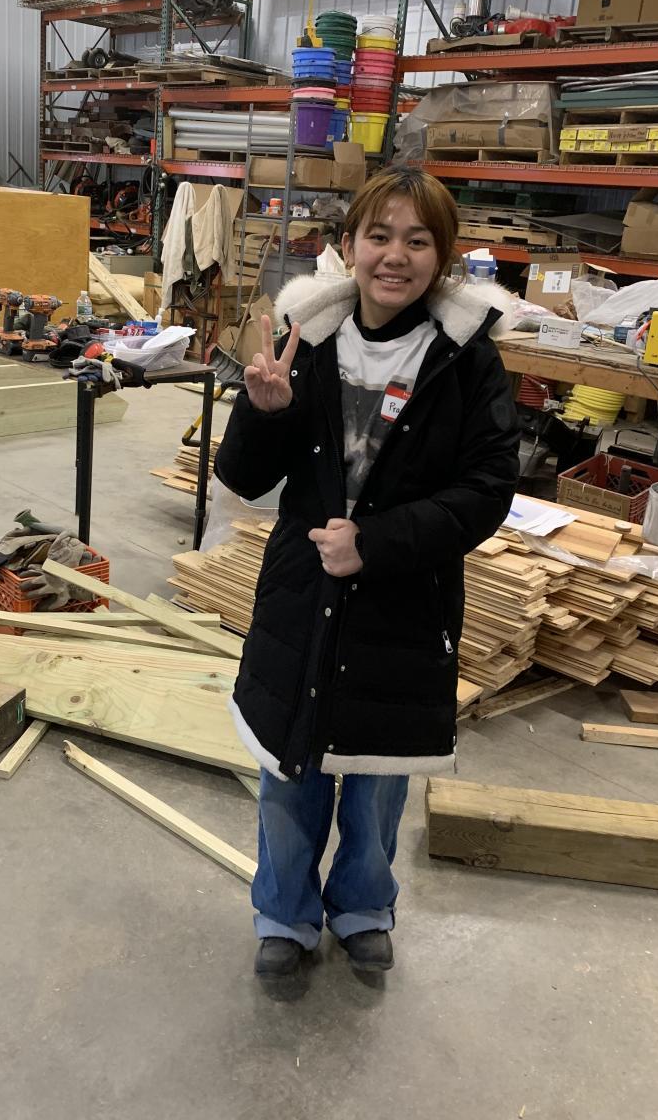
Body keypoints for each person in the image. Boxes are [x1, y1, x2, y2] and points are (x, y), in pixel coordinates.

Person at [214, 166, 521, 979]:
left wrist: (376, 544)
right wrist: (261, 415)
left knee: (378, 781)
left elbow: (488, 490)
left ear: (442, 256)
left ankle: (362, 907)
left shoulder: (466, 359)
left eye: (417, 240)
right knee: (289, 774)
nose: (395, 255)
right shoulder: (307, 341)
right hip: (302, 594)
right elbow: (242, 478)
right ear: (347, 244)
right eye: (378, 236)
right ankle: (284, 914)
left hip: (403, 605)